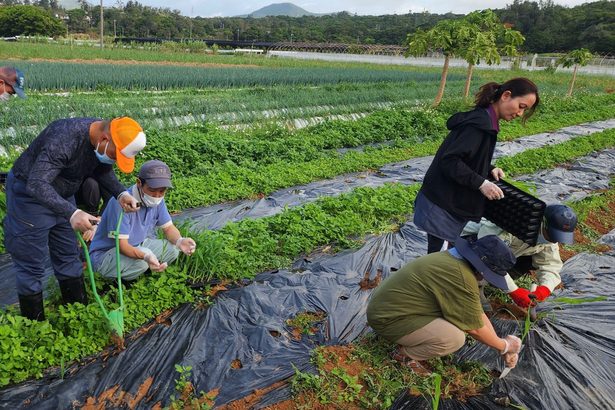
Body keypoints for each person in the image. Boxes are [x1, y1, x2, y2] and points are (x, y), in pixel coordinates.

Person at [4, 117, 145, 321]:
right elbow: (36, 184)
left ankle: (78, 313)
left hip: (63, 192)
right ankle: (34, 326)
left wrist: (121, 193)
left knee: (68, 253)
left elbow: (102, 168)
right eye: (115, 155)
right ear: (105, 139)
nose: (114, 161)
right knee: (30, 261)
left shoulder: (100, 142)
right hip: (30, 196)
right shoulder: (64, 140)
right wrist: (72, 213)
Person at [414, 78, 540, 254]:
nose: (520, 113)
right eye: (521, 106)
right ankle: (422, 281)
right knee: (437, 262)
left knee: (441, 258)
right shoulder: (478, 126)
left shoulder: (486, 121)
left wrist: (488, 168)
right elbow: (449, 161)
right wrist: (482, 183)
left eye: (524, 109)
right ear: (506, 95)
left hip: (447, 205)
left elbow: (468, 156)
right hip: (442, 207)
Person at [367, 235, 522, 375]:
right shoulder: (461, 277)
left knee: (458, 323)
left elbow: (476, 312)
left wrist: (502, 345)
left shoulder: (454, 260)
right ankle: (403, 355)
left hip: (389, 308)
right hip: (388, 319)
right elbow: (474, 329)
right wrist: (504, 346)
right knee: (453, 339)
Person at [89, 160, 197, 282]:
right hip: (106, 255)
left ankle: (139, 269)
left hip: (137, 246)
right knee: (142, 262)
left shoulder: (158, 201)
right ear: (139, 183)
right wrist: (145, 256)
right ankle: (116, 281)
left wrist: (180, 240)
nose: (157, 196)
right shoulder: (122, 203)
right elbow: (122, 246)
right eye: (152, 190)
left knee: (173, 250)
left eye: (162, 191)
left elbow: (168, 228)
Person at [463, 204, 578, 309]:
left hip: (492, 253)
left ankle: (488, 282)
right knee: (483, 258)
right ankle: (473, 286)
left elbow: (550, 265)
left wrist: (545, 288)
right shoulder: (512, 222)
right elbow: (487, 254)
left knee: (527, 261)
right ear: (543, 222)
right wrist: (513, 290)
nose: (553, 240)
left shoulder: (549, 239)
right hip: (467, 242)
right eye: (552, 235)